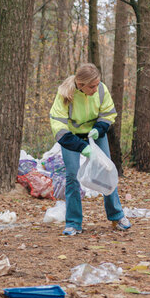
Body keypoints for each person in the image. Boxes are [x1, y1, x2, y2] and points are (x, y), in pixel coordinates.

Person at [49, 63, 131, 235]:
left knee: (107, 171)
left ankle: (117, 217)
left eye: (97, 84)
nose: (96, 89)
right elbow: (58, 127)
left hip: (95, 134)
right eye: (92, 86)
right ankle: (73, 223)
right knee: (72, 177)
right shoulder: (64, 95)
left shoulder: (101, 90)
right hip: (71, 138)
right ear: (80, 85)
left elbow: (108, 114)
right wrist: (81, 147)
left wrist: (99, 129)